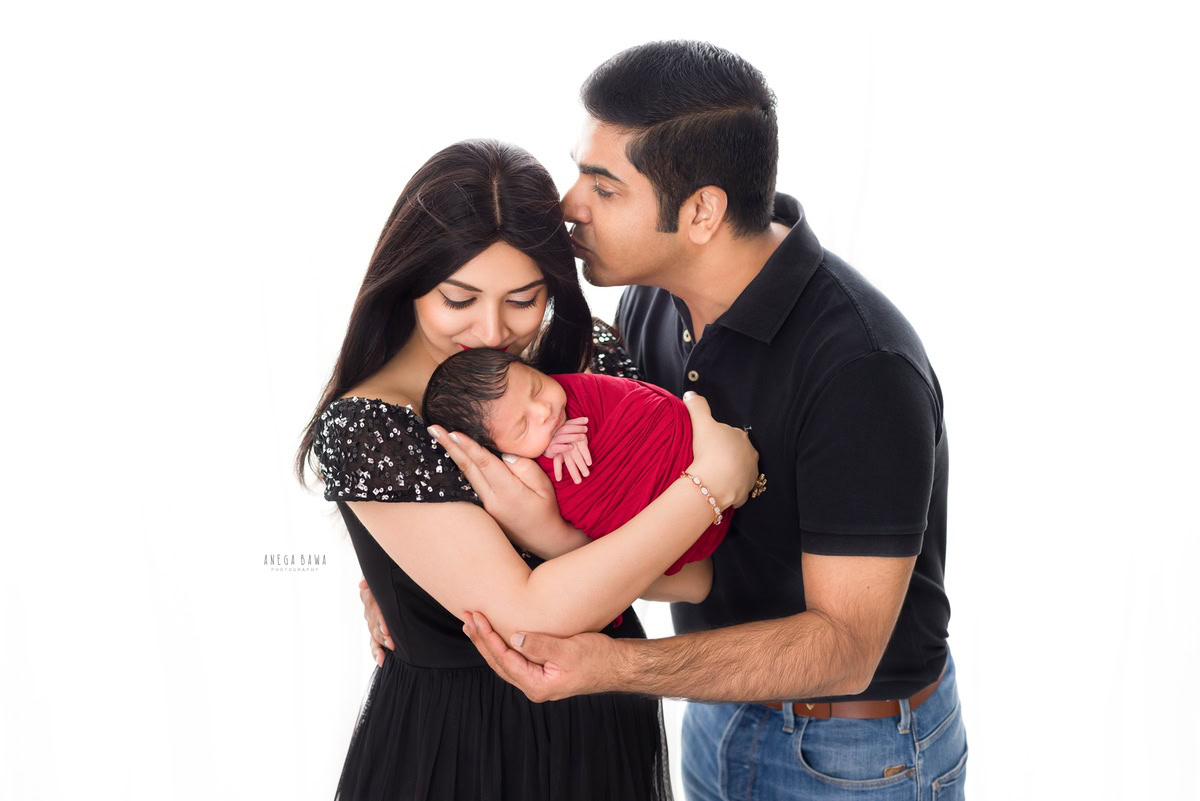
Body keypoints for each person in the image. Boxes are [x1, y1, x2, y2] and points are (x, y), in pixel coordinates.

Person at [365, 42, 967, 799]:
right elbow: (630, 523)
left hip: (851, 744)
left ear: (702, 212)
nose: (568, 205)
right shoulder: (652, 305)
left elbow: (846, 647)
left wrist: (617, 668)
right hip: (717, 708)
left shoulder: (861, 365)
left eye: (604, 186)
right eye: (579, 170)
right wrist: (414, 564)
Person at [297, 137, 760, 800]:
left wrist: (551, 535)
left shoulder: (584, 361)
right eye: (459, 300)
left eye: (522, 299)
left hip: (601, 725)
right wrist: (712, 482)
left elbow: (688, 577)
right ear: (407, 284)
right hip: (459, 749)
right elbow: (526, 618)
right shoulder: (371, 422)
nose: (491, 332)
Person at [422, 347, 738, 578]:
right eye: (523, 427)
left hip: (692, 448)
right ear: (494, 451)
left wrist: (579, 421)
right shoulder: (517, 481)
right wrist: (546, 455)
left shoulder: (581, 388)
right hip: (684, 530)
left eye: (536, 387)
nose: (543, 410)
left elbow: (651, 407)